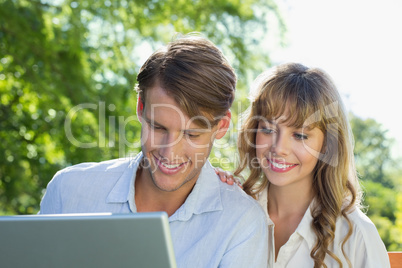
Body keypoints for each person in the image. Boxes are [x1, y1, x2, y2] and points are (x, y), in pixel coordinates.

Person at [39, 35, 268, 267]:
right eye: (158, 127)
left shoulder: (241, 224)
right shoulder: (69, 191)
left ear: (221, 126)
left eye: (192, 135)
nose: (170, 153)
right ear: (140, 106)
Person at [217, 63, 390, 267]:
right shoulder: (231, 210)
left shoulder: (356, 236)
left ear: (327, 145)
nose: (279, 148)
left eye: (300, 135)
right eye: (268, 130)